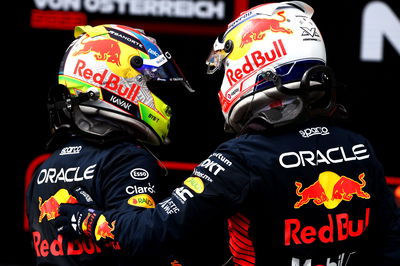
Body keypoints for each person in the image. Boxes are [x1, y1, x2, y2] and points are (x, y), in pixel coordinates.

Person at [55, 2, 400, 265]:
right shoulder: (359, 147)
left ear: (253, 61)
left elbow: (149, 235)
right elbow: (390, 243)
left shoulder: (240, 158)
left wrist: (82, 217)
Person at [26, 24, 193, 265]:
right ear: (116, 82)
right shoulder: (127, 158)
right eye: (148, 84)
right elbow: (143, 241)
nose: (153, 93)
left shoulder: (44, 169)